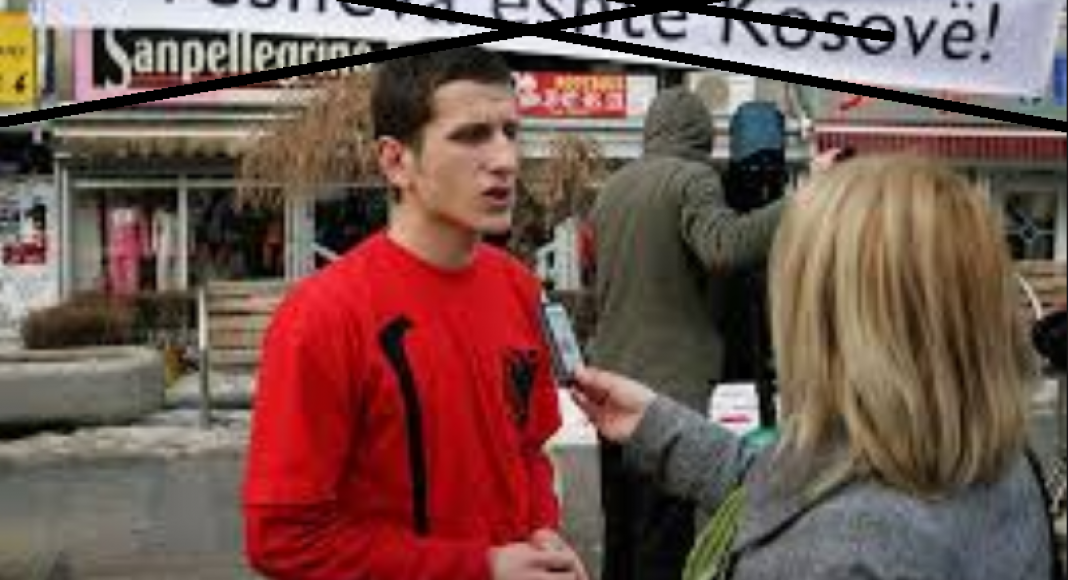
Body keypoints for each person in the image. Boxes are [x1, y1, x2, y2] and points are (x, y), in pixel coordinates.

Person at [572, 154, 1054, 579]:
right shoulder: (999, 465)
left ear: (828, 319)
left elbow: (829, 514)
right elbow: (808, 485)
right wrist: (660, 427)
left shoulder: (830, 558)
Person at [243, 47, 588, 580]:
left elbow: (527, 451)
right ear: (395, 161)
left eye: (510, 132)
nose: (505, 160)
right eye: (471, 136)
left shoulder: (519, 288)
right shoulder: (323, 317)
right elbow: (282, 539)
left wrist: (543, 533)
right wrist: (479, 567)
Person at [587, 87, 786, 580]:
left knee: (622, 534)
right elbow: (722, 247)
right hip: (667, 393)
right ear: (702, 133)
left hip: (608, 386)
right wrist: (802, 206)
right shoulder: (692, 178)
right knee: (663, 541)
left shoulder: (613, 189)